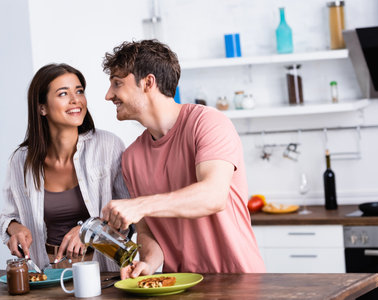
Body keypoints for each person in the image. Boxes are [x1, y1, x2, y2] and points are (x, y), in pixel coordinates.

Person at [101, 40, 266, 279]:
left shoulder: (207, 123)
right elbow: (149, 230)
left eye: (117, 84)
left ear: (148, 82)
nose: (108, 95)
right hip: (179, 286)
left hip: (239, 282)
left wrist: (139, 205)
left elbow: (213, 196)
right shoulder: (132, 157)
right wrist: (148, 262)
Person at [0, 63, 129, 271]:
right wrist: (15, 229)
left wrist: (88, 230)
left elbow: (128, 215)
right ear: (42, 108)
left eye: (79, 91)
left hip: (103, 270)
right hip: (47, 273)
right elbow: (7, 217)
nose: (76, 99)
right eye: (63, 94)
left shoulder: (108, 146)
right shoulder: (21, 160)